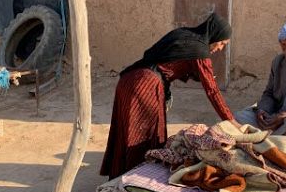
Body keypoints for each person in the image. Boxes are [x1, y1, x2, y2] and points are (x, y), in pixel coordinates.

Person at [100, 13, 240, 179]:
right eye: (222, 43)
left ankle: (121, 176)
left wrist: (199, 75)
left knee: (126, 131)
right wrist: (231, 120)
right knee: (143, 135)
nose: (220, 48)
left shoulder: (185, 35)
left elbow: (171, 62)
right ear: (215, 35)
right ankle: (135, 180)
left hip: (129, 81)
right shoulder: (200, 51)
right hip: (145, 87)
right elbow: (212, 91)